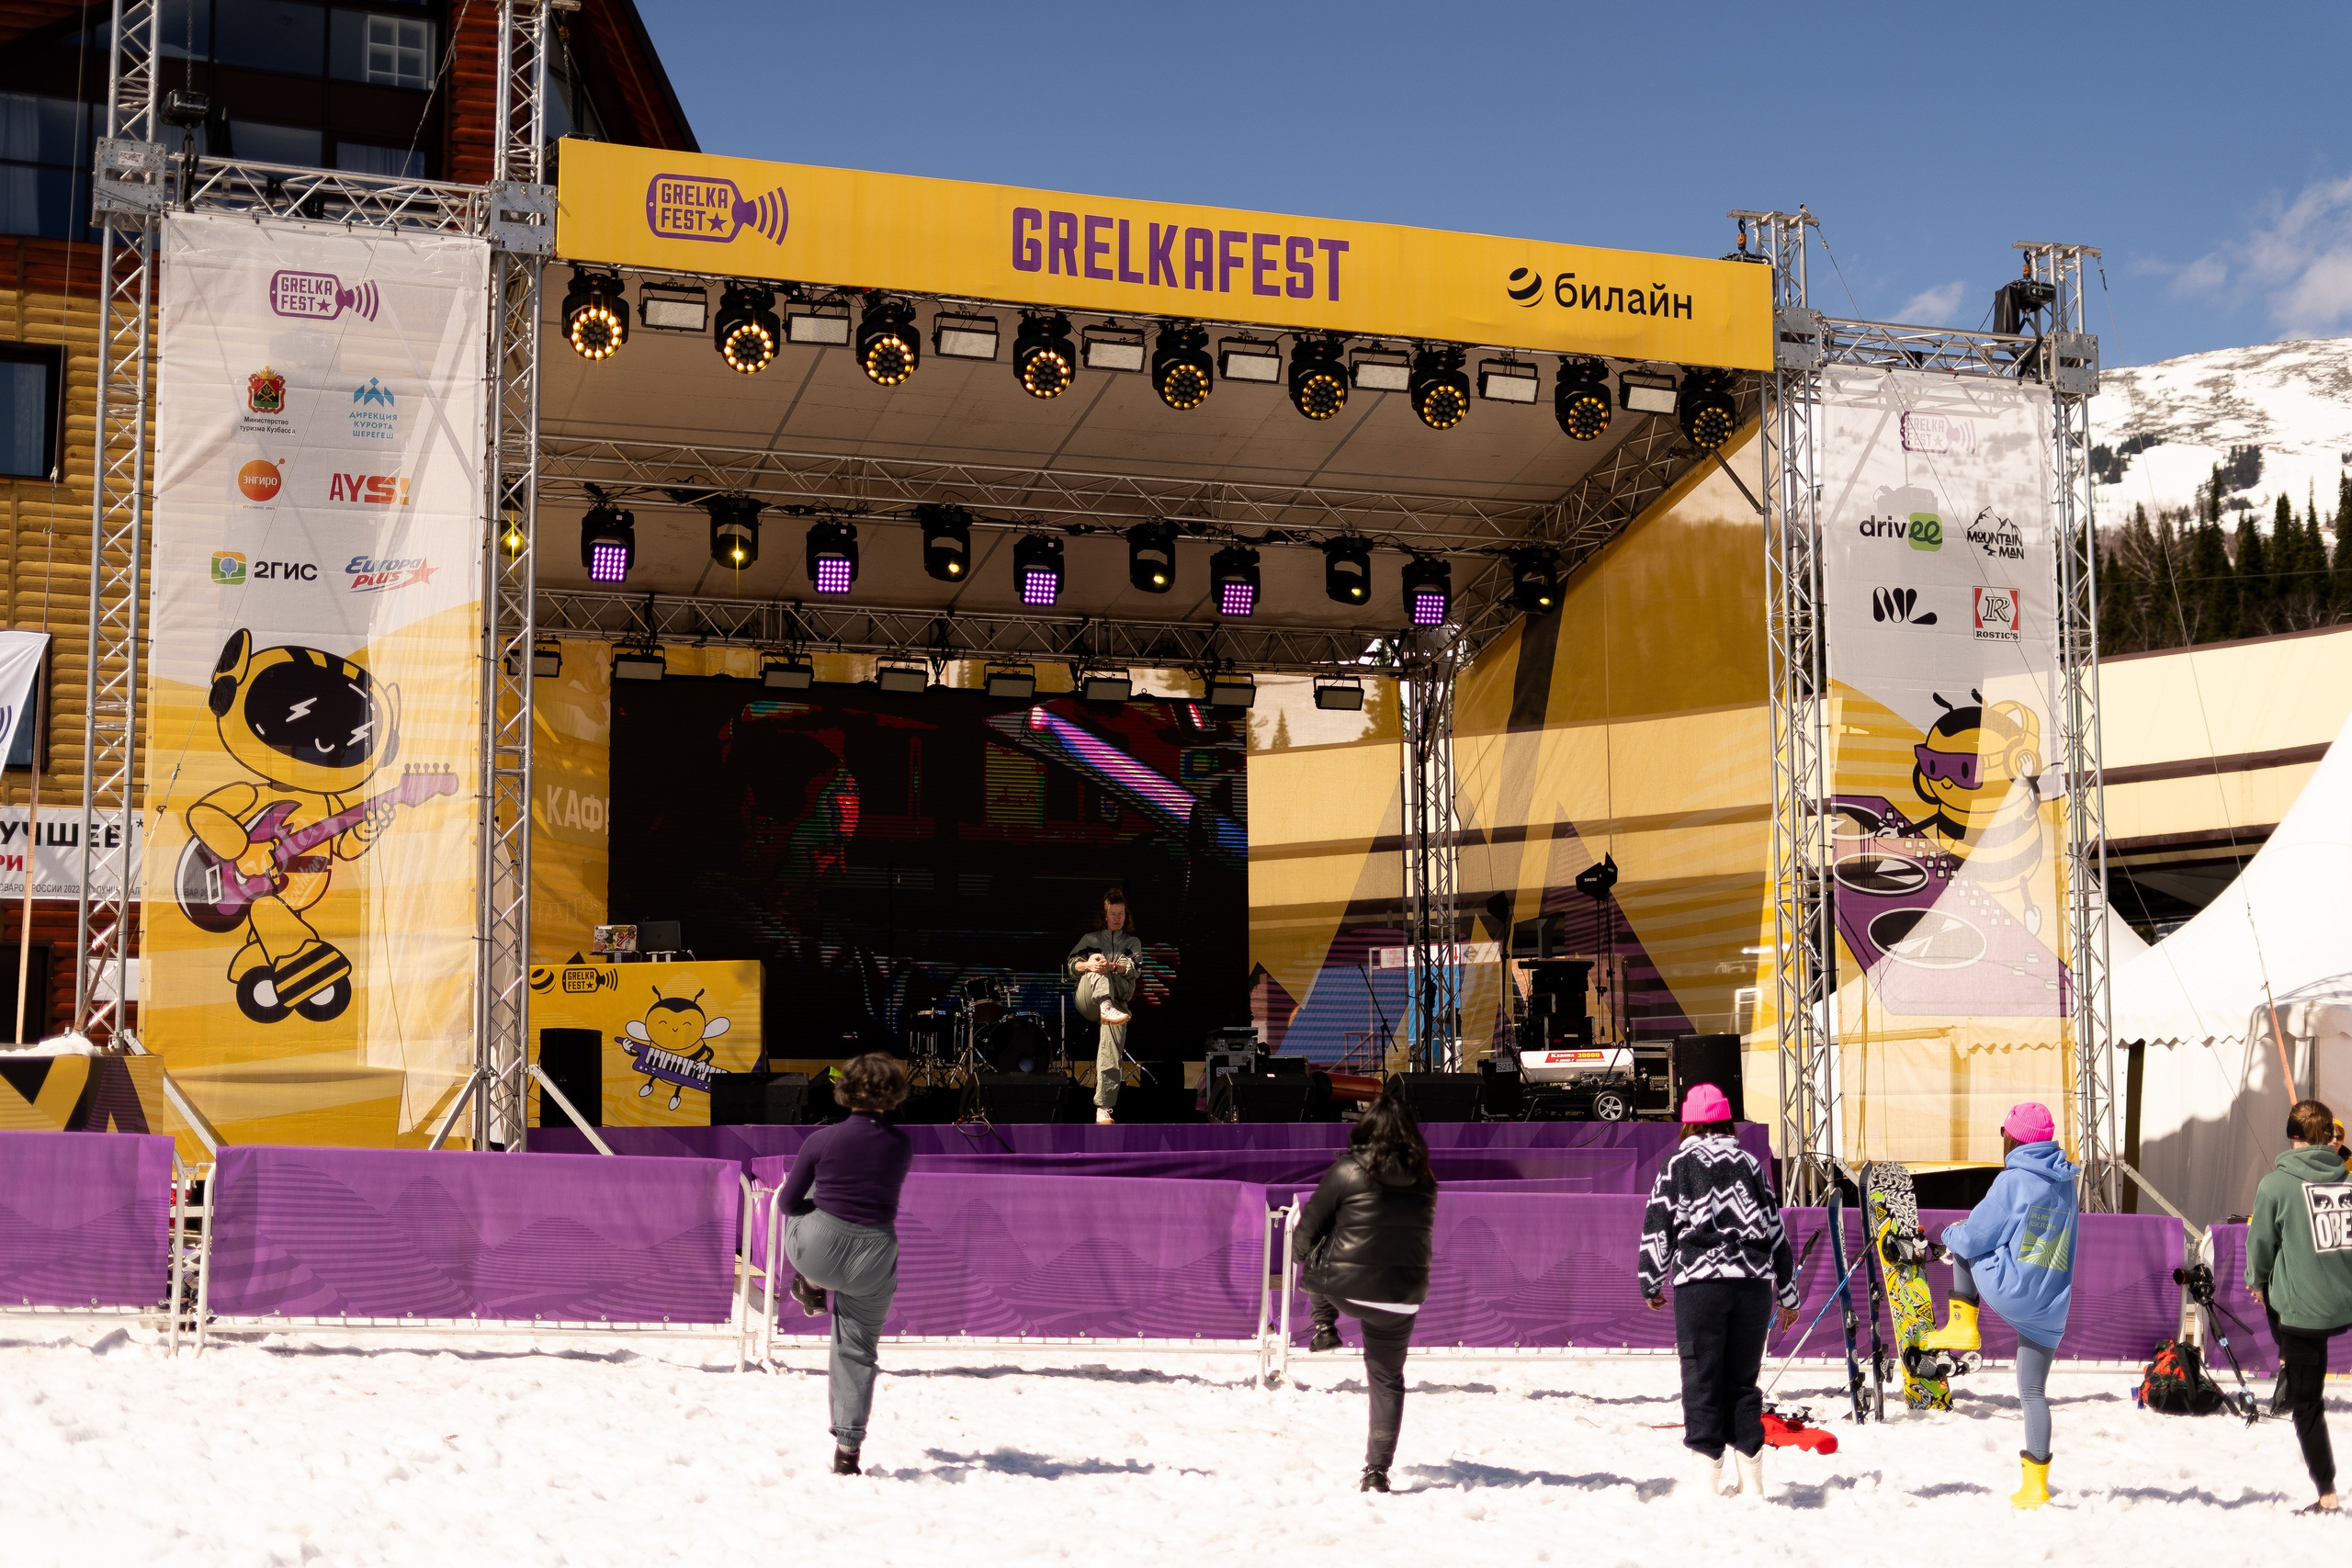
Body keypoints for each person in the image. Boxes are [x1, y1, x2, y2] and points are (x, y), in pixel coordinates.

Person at [1911, 1101, 2077, 1509]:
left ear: (2012, 1137)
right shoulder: (2066, 1180)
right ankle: (2036, 1486)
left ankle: (1962, 1324)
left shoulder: (2013, 1180)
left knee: (1963, 1241)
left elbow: (1973, 1239)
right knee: (2034, 1392)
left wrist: (1949, 1232)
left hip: (2012, 1290)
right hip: (2052, 1303)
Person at [1639, 1084, 1799, 1502]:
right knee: (1743, 1383)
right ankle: (1753, 1484)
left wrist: (1651, 1281)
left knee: (1702, 1378)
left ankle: (1707, 1484)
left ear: (1689, 1122)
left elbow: (1659, 1224)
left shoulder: (1678, 1164)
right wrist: (1788, 1295)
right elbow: (1775, 1230)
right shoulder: (1749, 1162)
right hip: (1752, 1286)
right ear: (1728, 1120)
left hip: (1700, 1287)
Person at [1294, 1075, 1438, 1494]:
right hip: (1403, 1297)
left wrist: (1306, 1265)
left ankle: (1324, 1329)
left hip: (1345, 1288)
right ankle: (1377, 1471)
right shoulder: (1425, 1177)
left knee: (1314, 1245)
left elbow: (1306, 1235)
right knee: (1387, 1378)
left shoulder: (1348, 1169)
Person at [779, 1052, 914, 1476]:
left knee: (806, 1200)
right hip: (874, 1255)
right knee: (856, 1353)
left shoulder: (821, 1140)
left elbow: (786, 1203)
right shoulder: (901, 1144)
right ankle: (848, 1451)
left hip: (818, 1249)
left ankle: (809, 1282)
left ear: (844, 1089)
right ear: (893, 1093)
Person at [2245, 1098, 2352, 1514]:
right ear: (2328, 1137)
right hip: (2342, 1301)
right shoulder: (2346, 1180)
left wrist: (2256, 1281)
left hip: (2305, 1312)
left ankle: (2326, 1495)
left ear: (2292, 1136)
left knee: (2307, 1405)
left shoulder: (2277, 1184)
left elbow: (2260, 1246)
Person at [1068, 887, 1142, 1125]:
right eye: (1113, 914)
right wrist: (1090, 964)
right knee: (1096, 962)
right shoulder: (1090, 939)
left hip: (1118, 1005)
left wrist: (1115, 967)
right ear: (1105, 914)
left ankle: (1104, 1106)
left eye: (1121, 914)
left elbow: (1134, 970)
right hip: (1088, 998)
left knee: (1112, 1049)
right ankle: (1104, 1003)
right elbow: (1071, 965)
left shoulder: (1132, 942)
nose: (1117, 918)